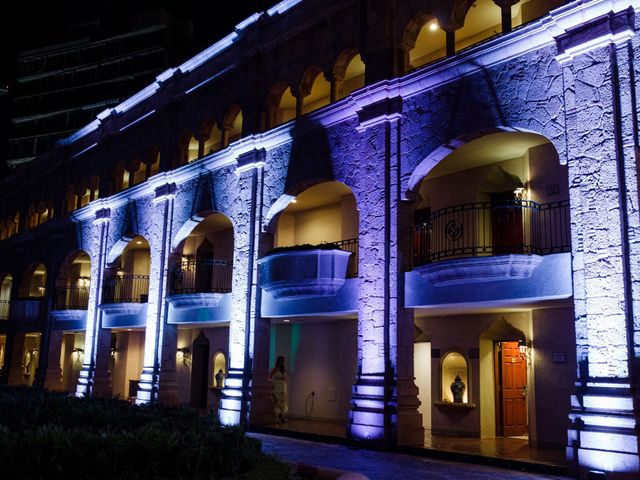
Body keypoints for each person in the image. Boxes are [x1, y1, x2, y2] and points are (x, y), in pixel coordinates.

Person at [269, 356, 288, 423]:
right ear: (278, 361)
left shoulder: (283, 370)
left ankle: (281, 417)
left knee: (283, 403)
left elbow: (284, 379)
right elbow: (270, 377)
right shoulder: (275, 369)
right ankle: (277, 418)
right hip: (277, 387)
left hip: (283, 388)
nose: (282, 362)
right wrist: (272, 385)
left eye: (282, 361)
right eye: (280, 360)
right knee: (277, 403)